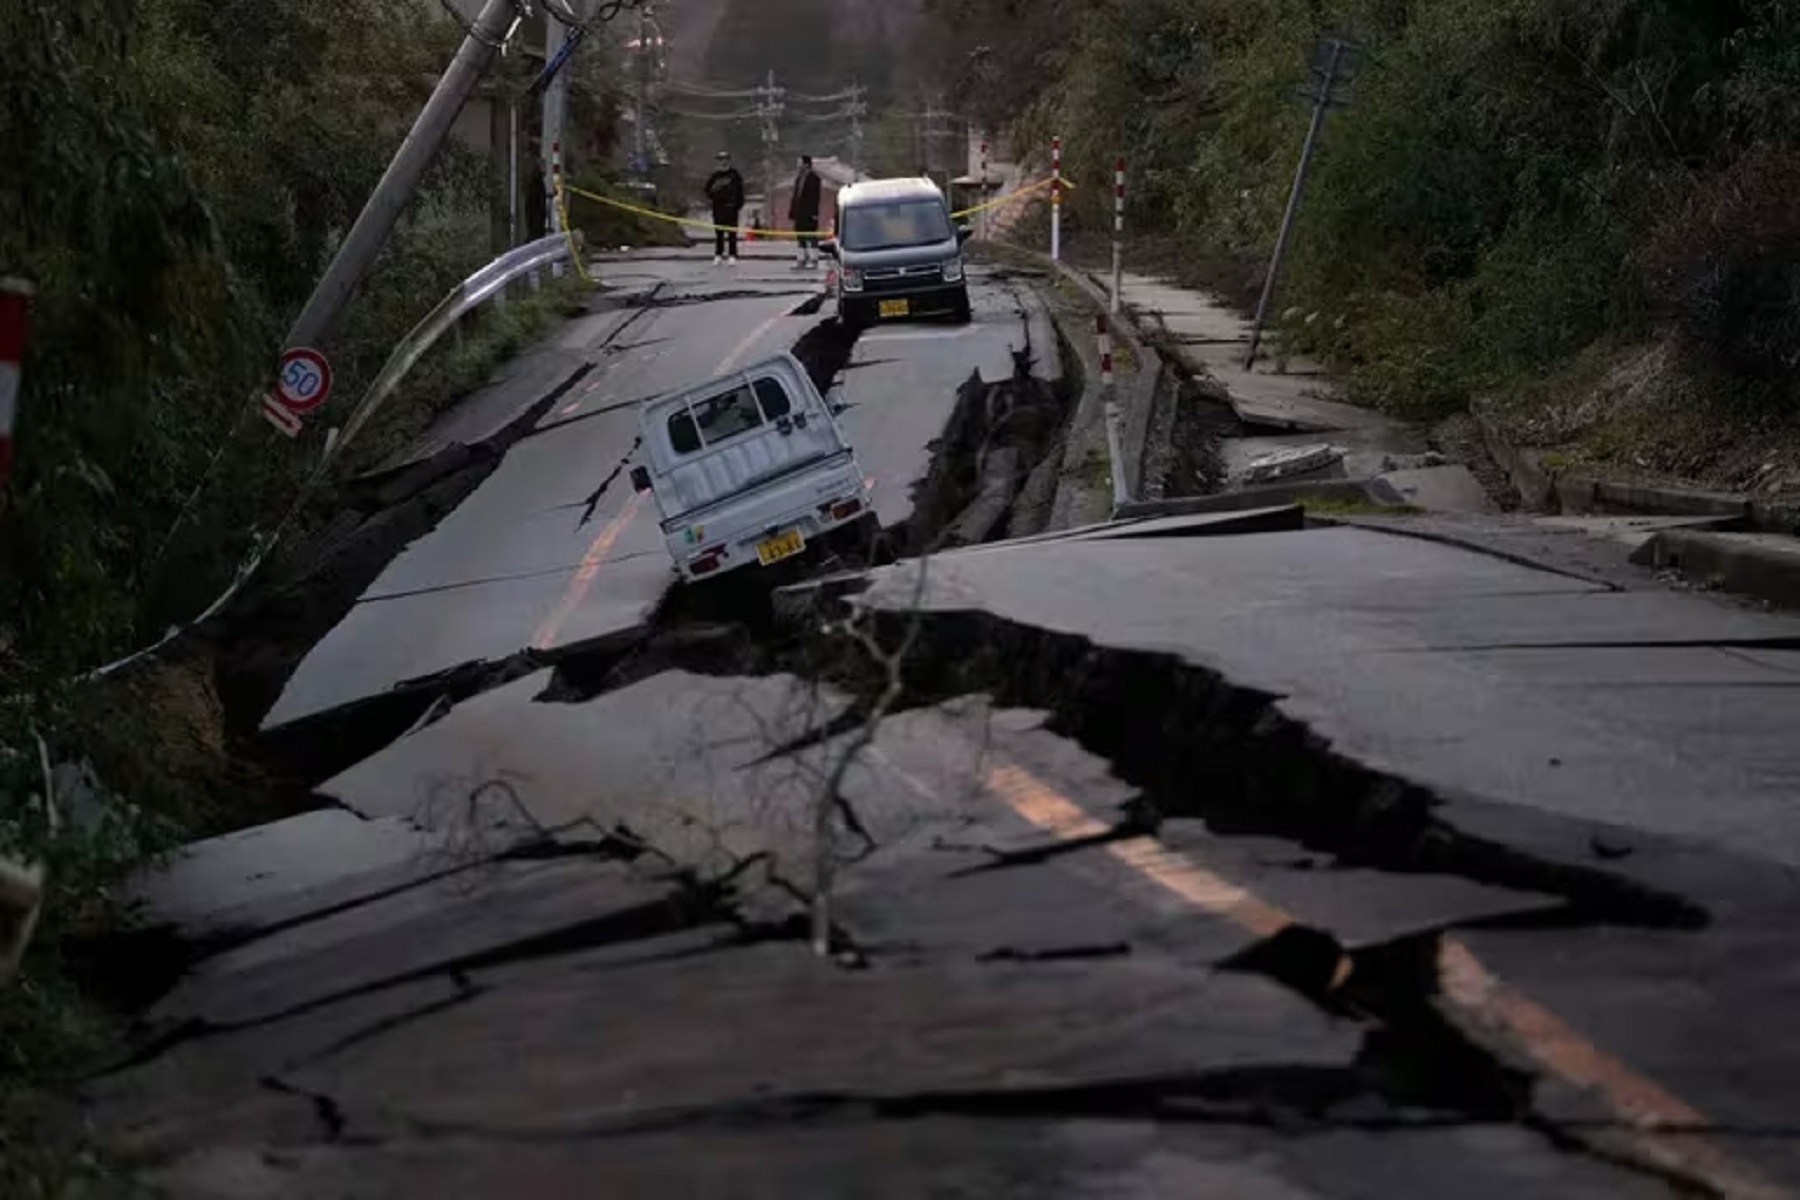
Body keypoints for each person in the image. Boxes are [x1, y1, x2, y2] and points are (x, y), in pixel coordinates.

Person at [704, 150, 746, 264]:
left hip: (731, 209)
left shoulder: (735, 175)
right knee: (719, 234)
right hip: (718, 209)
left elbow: (740, 192)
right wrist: (714, 197)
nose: (723, 162)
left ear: (728, 161)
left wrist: (737, 206)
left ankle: (732, 255)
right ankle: (718, 254)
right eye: (720, 160)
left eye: (725, 159)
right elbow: (707, 191)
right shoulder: (715, 176)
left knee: (732, 234)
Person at [789, 154, 823, 270]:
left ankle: (814, 260)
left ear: (806, 164)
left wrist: (814, 214)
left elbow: (815, 198)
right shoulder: (799, 178)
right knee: (800, 237)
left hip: (809, 213)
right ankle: (801, 259)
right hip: (799, 213)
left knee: (811, 236)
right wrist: (792, 212)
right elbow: (795, 196)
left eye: (800, 163)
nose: (798, 165)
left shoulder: (814, 179)